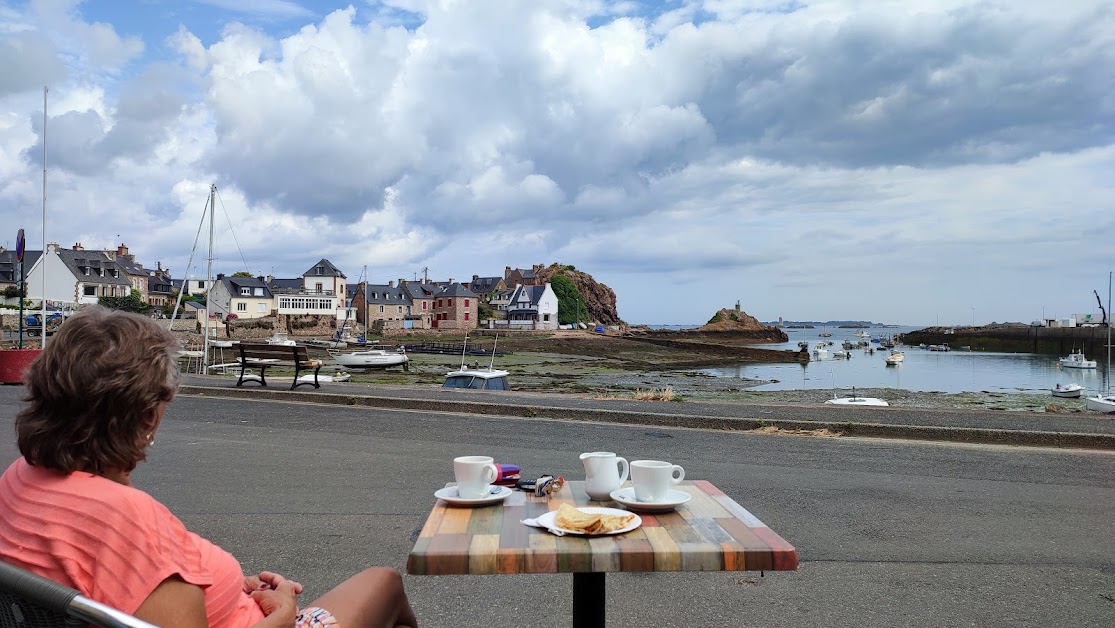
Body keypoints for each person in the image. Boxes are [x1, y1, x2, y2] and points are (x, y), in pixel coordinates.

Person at [0, 305, 418, 628]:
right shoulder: (128, 520)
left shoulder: (19, 478)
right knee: (385, 581)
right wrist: (284, 615)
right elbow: (134, 557)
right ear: (148, 417)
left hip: (238, 606)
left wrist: (225, 583)